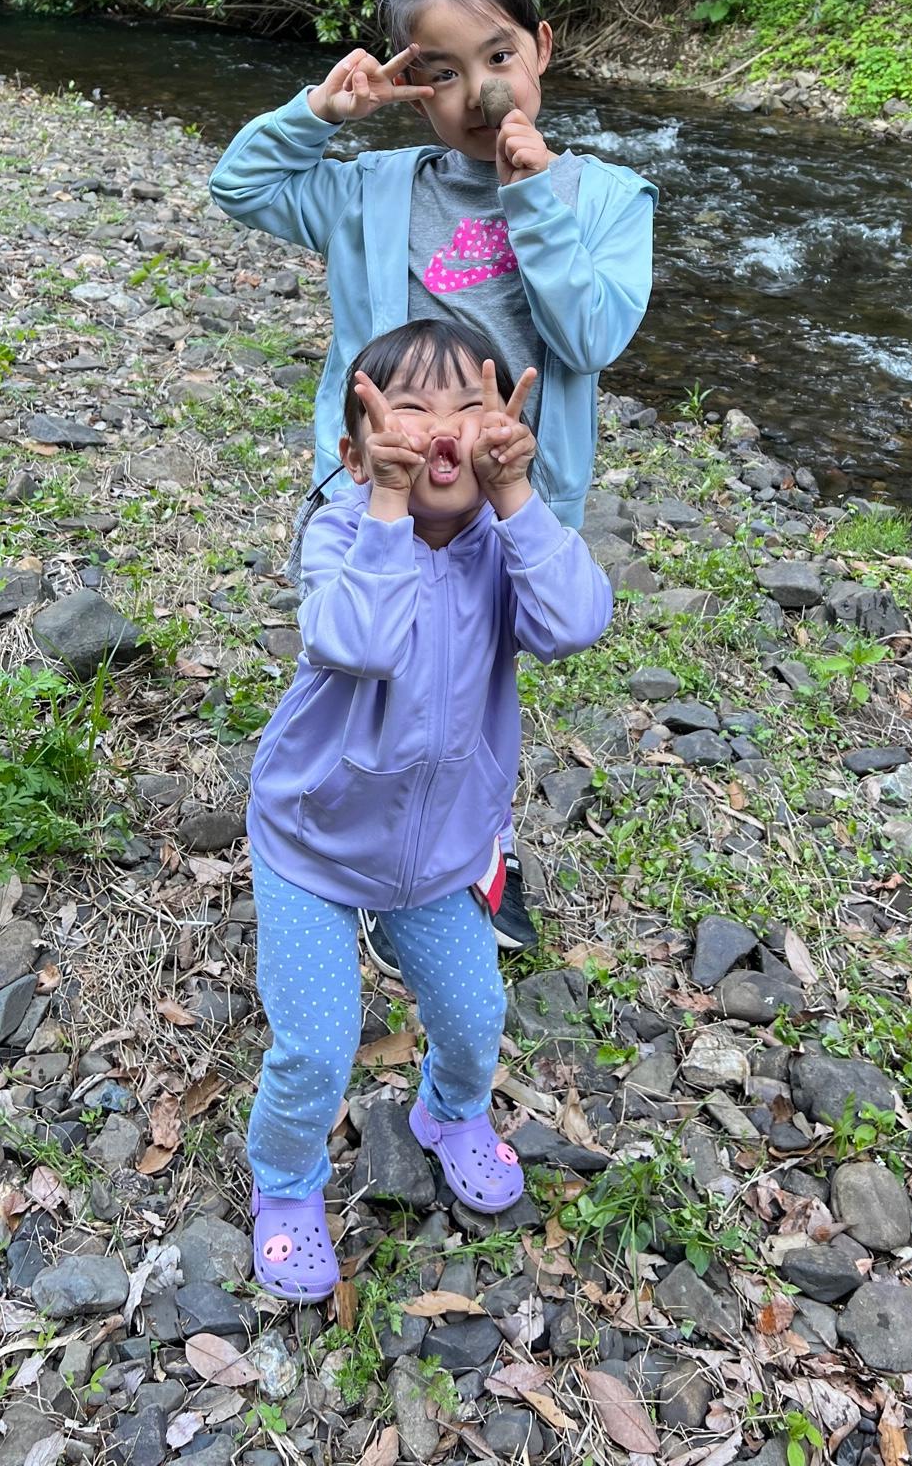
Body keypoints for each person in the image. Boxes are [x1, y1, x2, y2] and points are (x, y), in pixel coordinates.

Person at [210, 0, 655, 971]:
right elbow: (240, 187)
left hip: (506, 500)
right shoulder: (373, 191)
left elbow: (591, 337)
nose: (481, 93)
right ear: (412, 87)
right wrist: (321, 115)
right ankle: (349, 844)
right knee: (365, 668)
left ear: (543, 48)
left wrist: (531, 196)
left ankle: (474, 845)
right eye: (444, 73)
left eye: (499, 57)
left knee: (473, 685)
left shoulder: (605, 199)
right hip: (379, 492)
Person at [245, 317, 612, 1301]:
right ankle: (286, 1184)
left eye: (470, 407)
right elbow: (357, 642)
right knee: (317, 1047)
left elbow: (577, 623)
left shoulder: (505, 546)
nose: (442, 428)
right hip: (314, 840)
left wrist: (519, 497)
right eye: (409, 408)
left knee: (472, 1012)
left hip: (441, 847)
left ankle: (448, 1114)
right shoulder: (341, 534)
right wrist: (386, 506)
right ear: (354, 451)